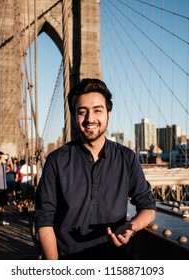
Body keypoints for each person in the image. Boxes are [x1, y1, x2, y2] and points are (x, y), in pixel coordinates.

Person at [35, 78, 156, 260]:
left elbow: (148, 207)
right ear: (74, 116)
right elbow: (44, 219)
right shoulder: (55, 161)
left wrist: (132, 227)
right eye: (82, 112)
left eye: (97, 110)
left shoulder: (127, 158)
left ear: (108, 114)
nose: (90, 119)